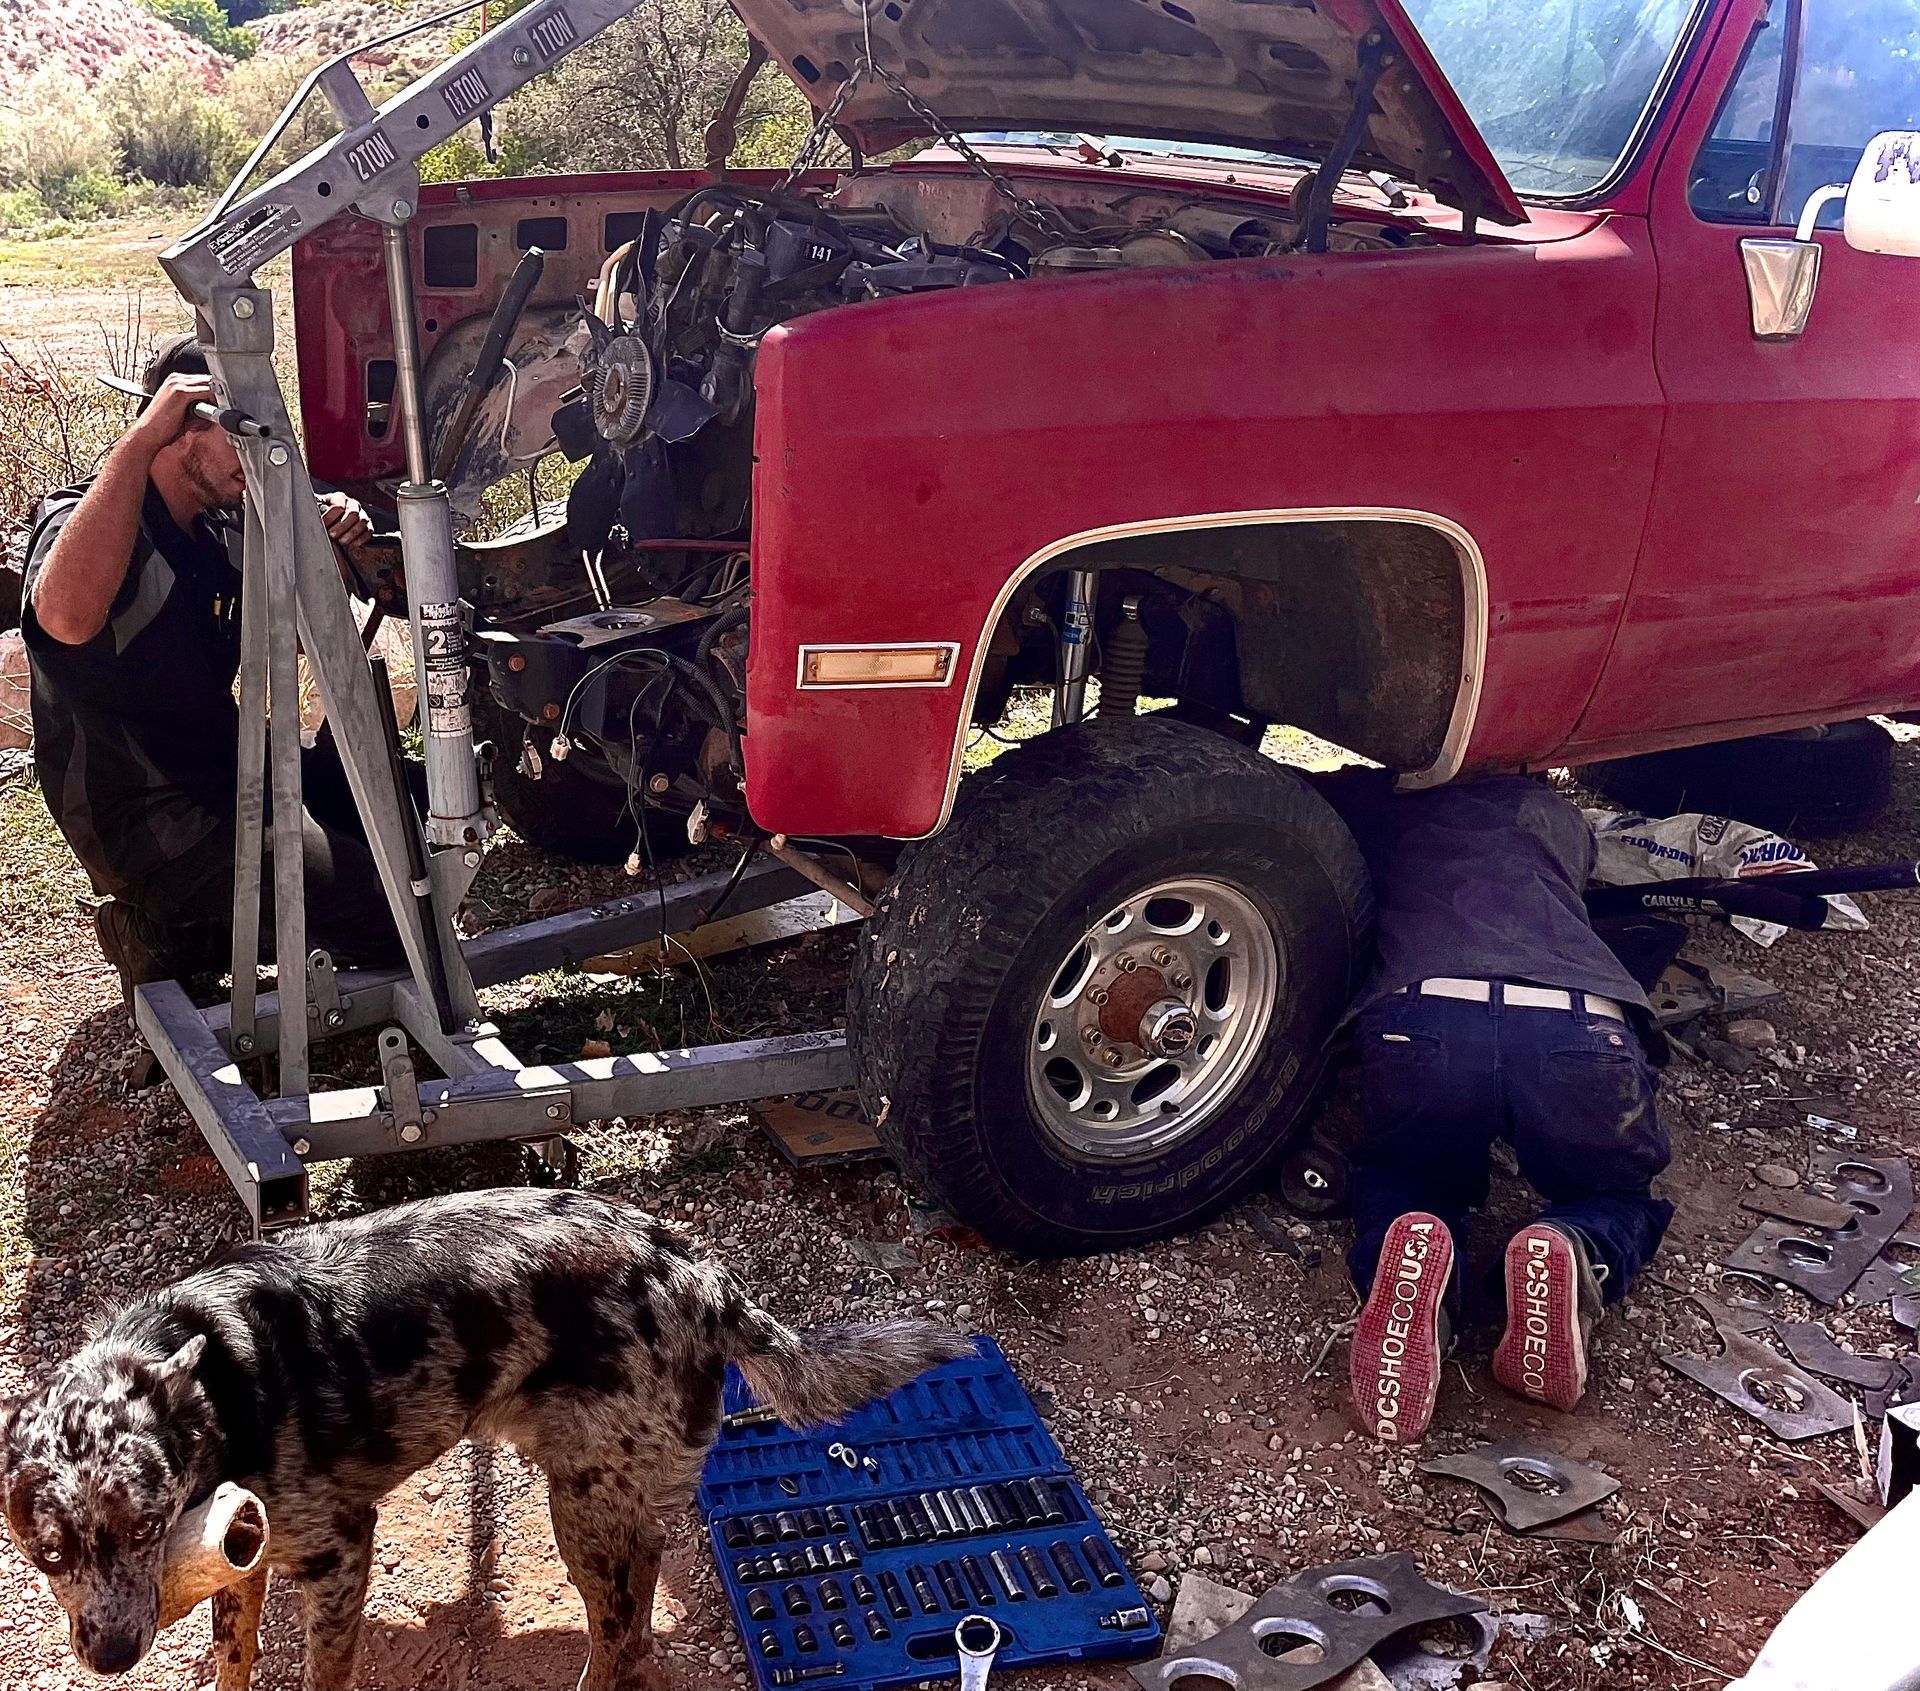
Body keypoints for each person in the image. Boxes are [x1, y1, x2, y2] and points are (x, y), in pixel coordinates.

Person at [20, 334, 405, 1002]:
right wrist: (137, 445)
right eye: (241, 434)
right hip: (151, 822)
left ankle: (212, 914)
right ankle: (161, 930)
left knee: (411, 808)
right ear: (183, 430)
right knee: (391, 915)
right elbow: (66, 618)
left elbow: (294, 639)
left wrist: (332, 538)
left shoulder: (223, 526)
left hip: (231, 777)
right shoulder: (85, 519)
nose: (257, 456)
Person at [1323, 772, 1673, 1444]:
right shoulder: (1551, 811)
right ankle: (1577, 1245)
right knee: (1616, 1191)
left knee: (1405, 1172)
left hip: (1423, 1011)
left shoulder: (1380, 797)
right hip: (1578, 1022)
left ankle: (1422, 1253)